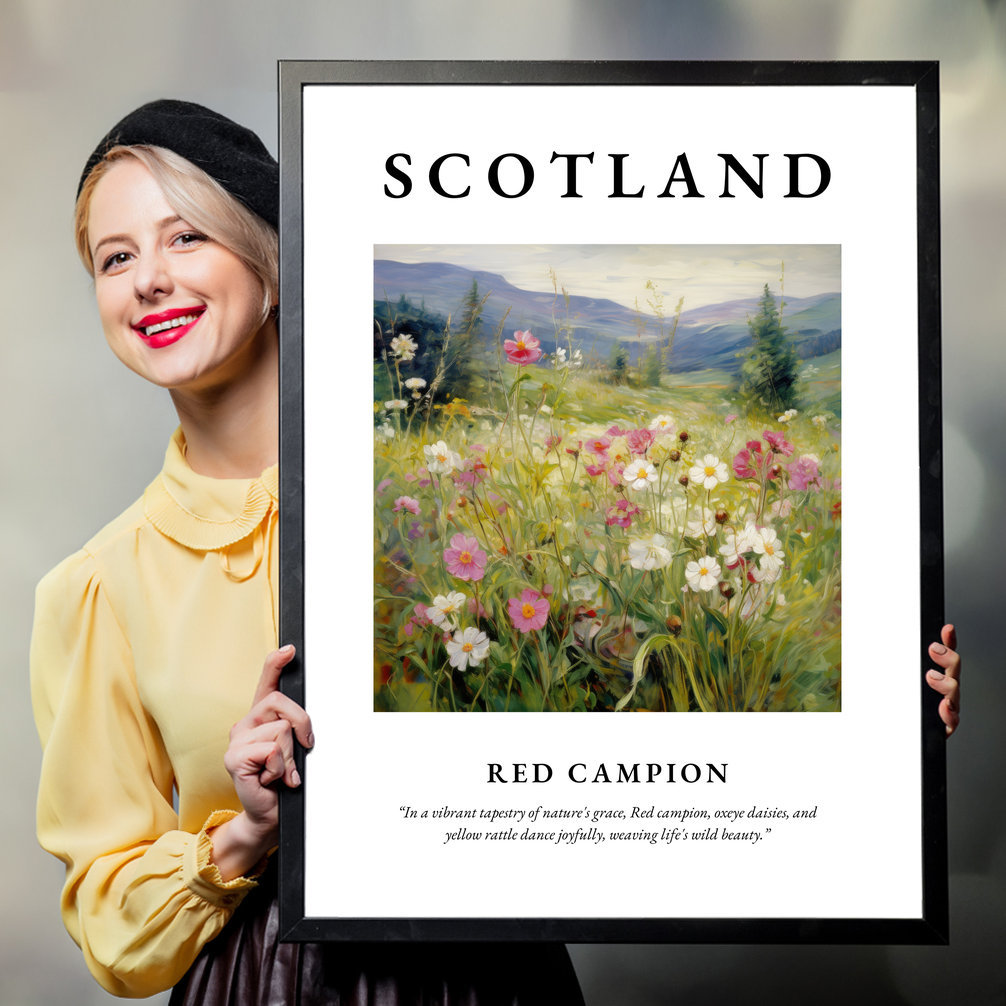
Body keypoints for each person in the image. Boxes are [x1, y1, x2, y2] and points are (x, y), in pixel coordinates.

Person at [30, 100, 585, 1004]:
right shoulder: (98, 587)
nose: (148, 281)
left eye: (185, 239)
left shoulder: (448, 492)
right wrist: (245, 832)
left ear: (273, 264)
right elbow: (110, 923)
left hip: (493, 974)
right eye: (116, 257)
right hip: (264, 982)